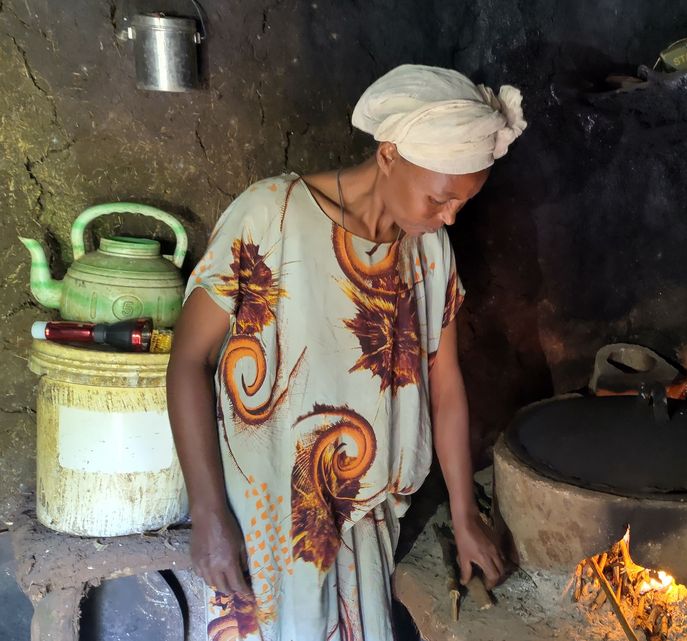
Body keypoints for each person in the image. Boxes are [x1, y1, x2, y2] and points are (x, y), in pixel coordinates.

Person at [167, 64, 527, 641]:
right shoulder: (271, 216)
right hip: (267, 516)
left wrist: (465, 515)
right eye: (440, 199)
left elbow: (446, 385)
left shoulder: (430, 253)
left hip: (366, 519)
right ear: (388, 155)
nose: (450, 217)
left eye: (463, 203)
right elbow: (188, 362)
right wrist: (208, 513)